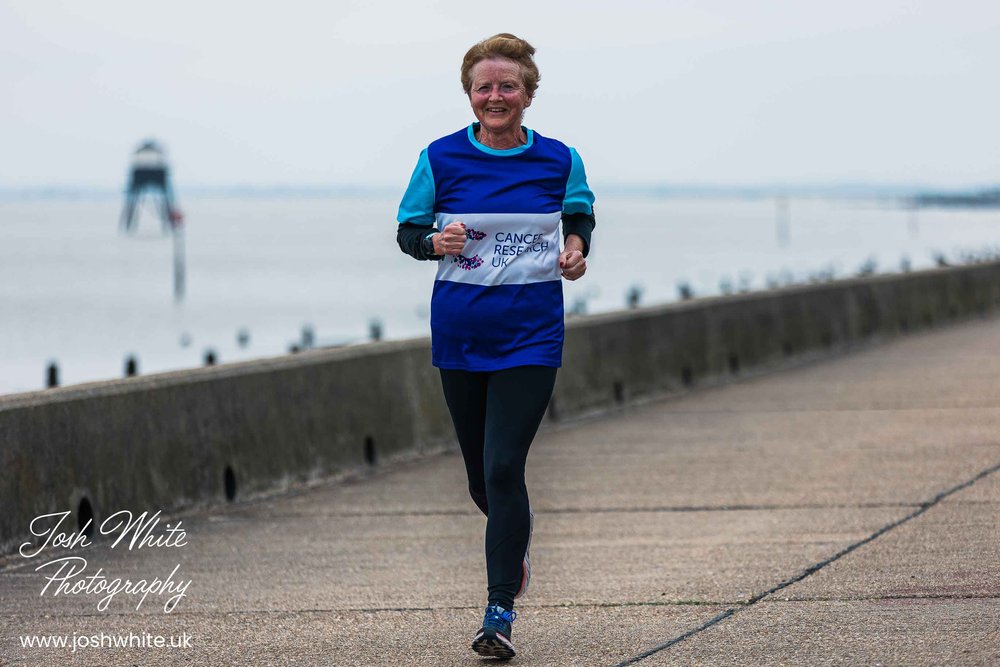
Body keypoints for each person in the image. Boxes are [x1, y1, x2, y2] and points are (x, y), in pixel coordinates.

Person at [396, 32, 595, 660]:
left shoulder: (560, 160)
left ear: (528, 93)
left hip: (532, 338)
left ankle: (499, 609)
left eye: (508, 85)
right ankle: (519, 544)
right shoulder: (440, 158)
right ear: (470, 93)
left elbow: (579, 217)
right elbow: (407, 231)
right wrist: (436, 243)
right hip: (460, 336)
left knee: (505, 466)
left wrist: (576, 249)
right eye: (485, 86)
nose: (496, 96)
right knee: (482, 480)